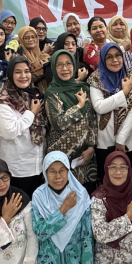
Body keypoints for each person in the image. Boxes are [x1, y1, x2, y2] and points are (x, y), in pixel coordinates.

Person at [31, 152, 99, 264]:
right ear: (45, 173)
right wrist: (63, 209)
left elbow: (87, 234)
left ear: (69, 171)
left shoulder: (80, 194)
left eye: (62, 170)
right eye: (52, 171)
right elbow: (40, 232)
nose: (58, 176)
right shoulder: (39, 196)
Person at [89, 43, 132, 179]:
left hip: (127, 141)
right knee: (107, 181)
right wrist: (124, 92)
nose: (115, 60)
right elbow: (99, 107)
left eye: (118, 55)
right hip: (104, 141)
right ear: (103, 59)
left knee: (126, 180)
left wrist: (121, 139)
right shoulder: (95, 78)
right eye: (109, 57)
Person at [46, 49, 99, 187]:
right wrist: (79, 105)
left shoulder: (83, 88)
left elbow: (92, 120)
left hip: (85, 155)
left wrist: (91, 147)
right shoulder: (52, 93)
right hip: (61, 155)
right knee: (63, 192)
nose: (65, 68)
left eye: (68, 63)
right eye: (59, 65)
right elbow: (58, 123)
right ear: (53, 68)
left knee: (86, 191)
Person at [0, 56, 47, 194]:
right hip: (17, 169)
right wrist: (31, 113)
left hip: (38, 164)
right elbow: (9, 132)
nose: (23, 76)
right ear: (10, 75)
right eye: (18, 72)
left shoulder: (34, 95)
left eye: (27, 71)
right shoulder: (4, 102)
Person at [16, 25, 50, 92]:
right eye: (26, 38)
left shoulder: (43, 56)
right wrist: (41, 69)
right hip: (29, 93)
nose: (30, 40)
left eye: (33, 37)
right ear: (21, 40)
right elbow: (23, 79)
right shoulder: (19, 58)